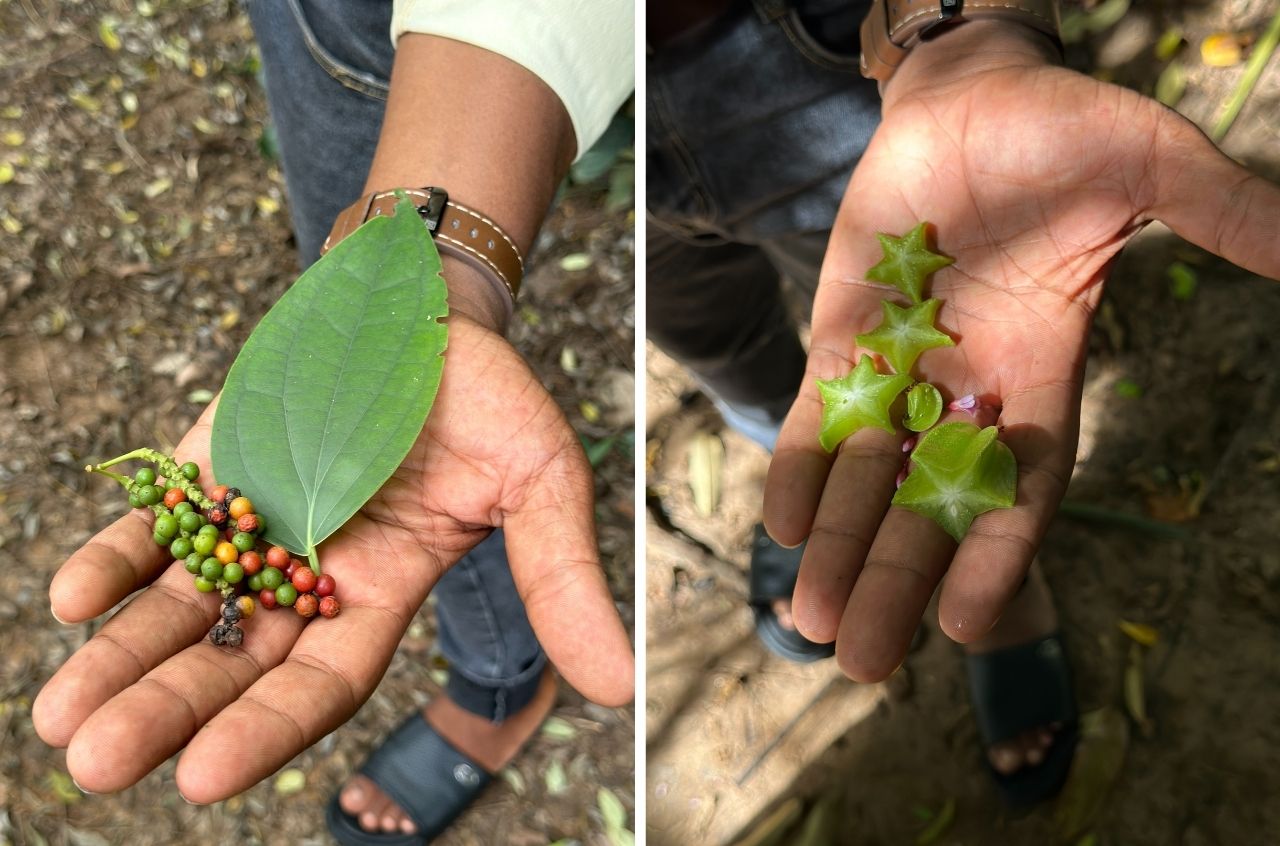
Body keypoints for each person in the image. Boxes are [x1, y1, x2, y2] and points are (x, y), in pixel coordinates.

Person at [647, 0, 1280, 806]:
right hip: (614, 133)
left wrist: (963, 31)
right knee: (723, 347)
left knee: (849, 303)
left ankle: (1000, 592)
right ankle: (791, 452)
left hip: (818, 50)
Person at [32, 1, 635, 843]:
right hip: (324, 29)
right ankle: (497, 677)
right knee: (344, 227)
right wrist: (439, 271)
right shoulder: (252, 540)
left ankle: (499, 681)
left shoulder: (259, 538)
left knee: (426, 486)